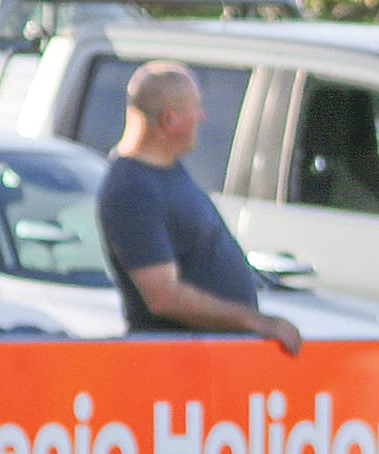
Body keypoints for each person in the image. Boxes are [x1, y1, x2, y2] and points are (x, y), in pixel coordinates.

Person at [98, 60, 302, 354]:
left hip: (208, 360)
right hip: (177, 365)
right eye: (196, 108)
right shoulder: (133, 190)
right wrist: (254, 321)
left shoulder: (166, 172)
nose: (203, 117)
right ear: (170, 120)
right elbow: (163, 296)